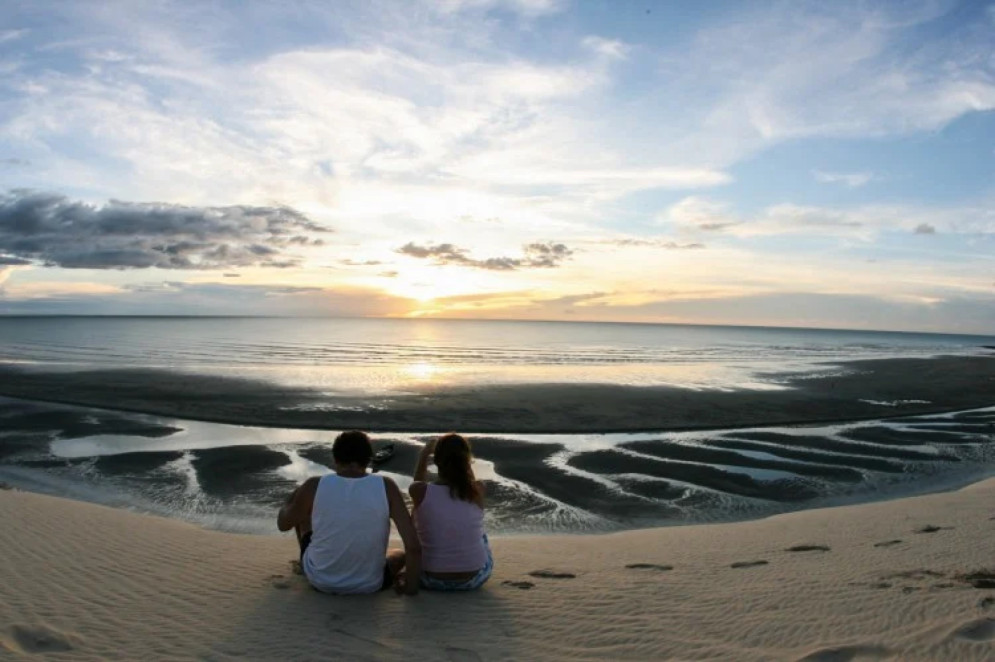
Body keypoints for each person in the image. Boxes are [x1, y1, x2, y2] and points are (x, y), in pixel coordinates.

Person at [277, 430, 421, 595]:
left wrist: (293, 498)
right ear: (367, 460)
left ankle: (307, 565)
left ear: (335, 459)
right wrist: (411, 589)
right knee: (399, 554)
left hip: (320, 580)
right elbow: (413, 546)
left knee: (303, 513)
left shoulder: (314, 485)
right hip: (370, 584)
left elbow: (283, 524)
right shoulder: (387, 486)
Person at [408, 433, 492, 591]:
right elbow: (469, 483)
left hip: (430, 578)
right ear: (466, 462)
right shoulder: (478, 489)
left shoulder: (420, 490)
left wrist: (424, 455)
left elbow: (418, 482)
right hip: (473, 578)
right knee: (481, 534)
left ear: (437, 461)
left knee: (419, 512)